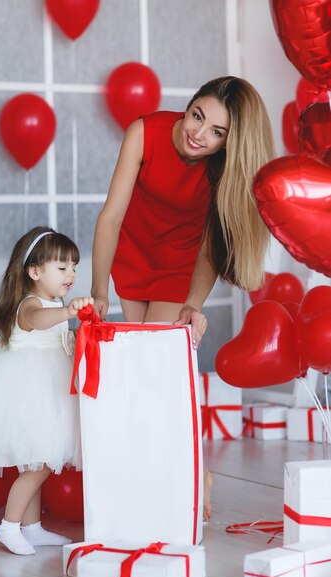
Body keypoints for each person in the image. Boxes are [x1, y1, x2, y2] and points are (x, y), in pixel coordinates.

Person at [90, 76, 275, 519]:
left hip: (180, 264)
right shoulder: (145, 132)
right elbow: (111, 217)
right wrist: (98, 290)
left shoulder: (221, 169)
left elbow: (211, 247)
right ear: (188, 106)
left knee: (158, 374)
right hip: (134, 251)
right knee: (137, 376)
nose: (200, 134)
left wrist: (194, 302)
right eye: (198, 117)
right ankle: (150, 478)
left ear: (230, 142)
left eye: (218, 133)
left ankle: (196, 473)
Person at [0, 226, 93, 555]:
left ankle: (32, 528)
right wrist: (68, 313)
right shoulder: (30, 304)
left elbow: (56, 334)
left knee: (35, 462)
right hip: (29, 393)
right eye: (62, 267)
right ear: (35, 271)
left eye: (74, 267)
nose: (71, 274)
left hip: (48, 391)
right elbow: (38, 320)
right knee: (39, 462)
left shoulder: (53, 300)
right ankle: (9, 526)